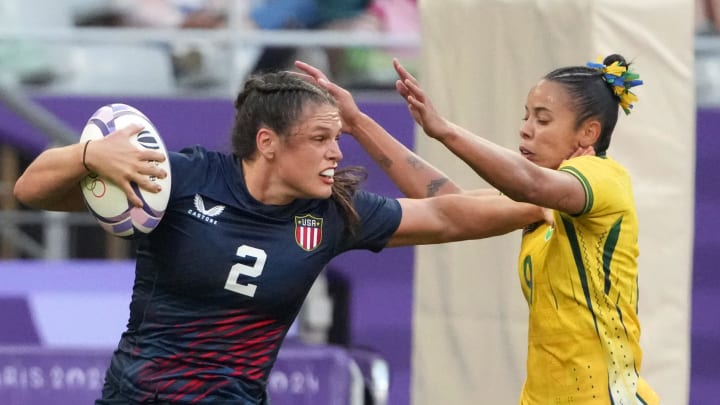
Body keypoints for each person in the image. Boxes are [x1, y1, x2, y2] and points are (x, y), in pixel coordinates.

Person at [13, 71, 547, 404]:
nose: (336, 153)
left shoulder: (332, 213)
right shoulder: (184, 179)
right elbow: (31, 188)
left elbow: (450, 213)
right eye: (321, 138)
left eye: (338, 138)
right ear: (267, 142)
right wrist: (88, 156)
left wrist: (560, 195)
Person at [295, 53, 659, 404]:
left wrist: (443, 130)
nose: (525, 129)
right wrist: (357, 122)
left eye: (542, 120)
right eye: (526, 116)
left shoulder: (604, 178)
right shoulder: (542, 204)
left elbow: (528, 182)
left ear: (588, 133)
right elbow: (447, 202)